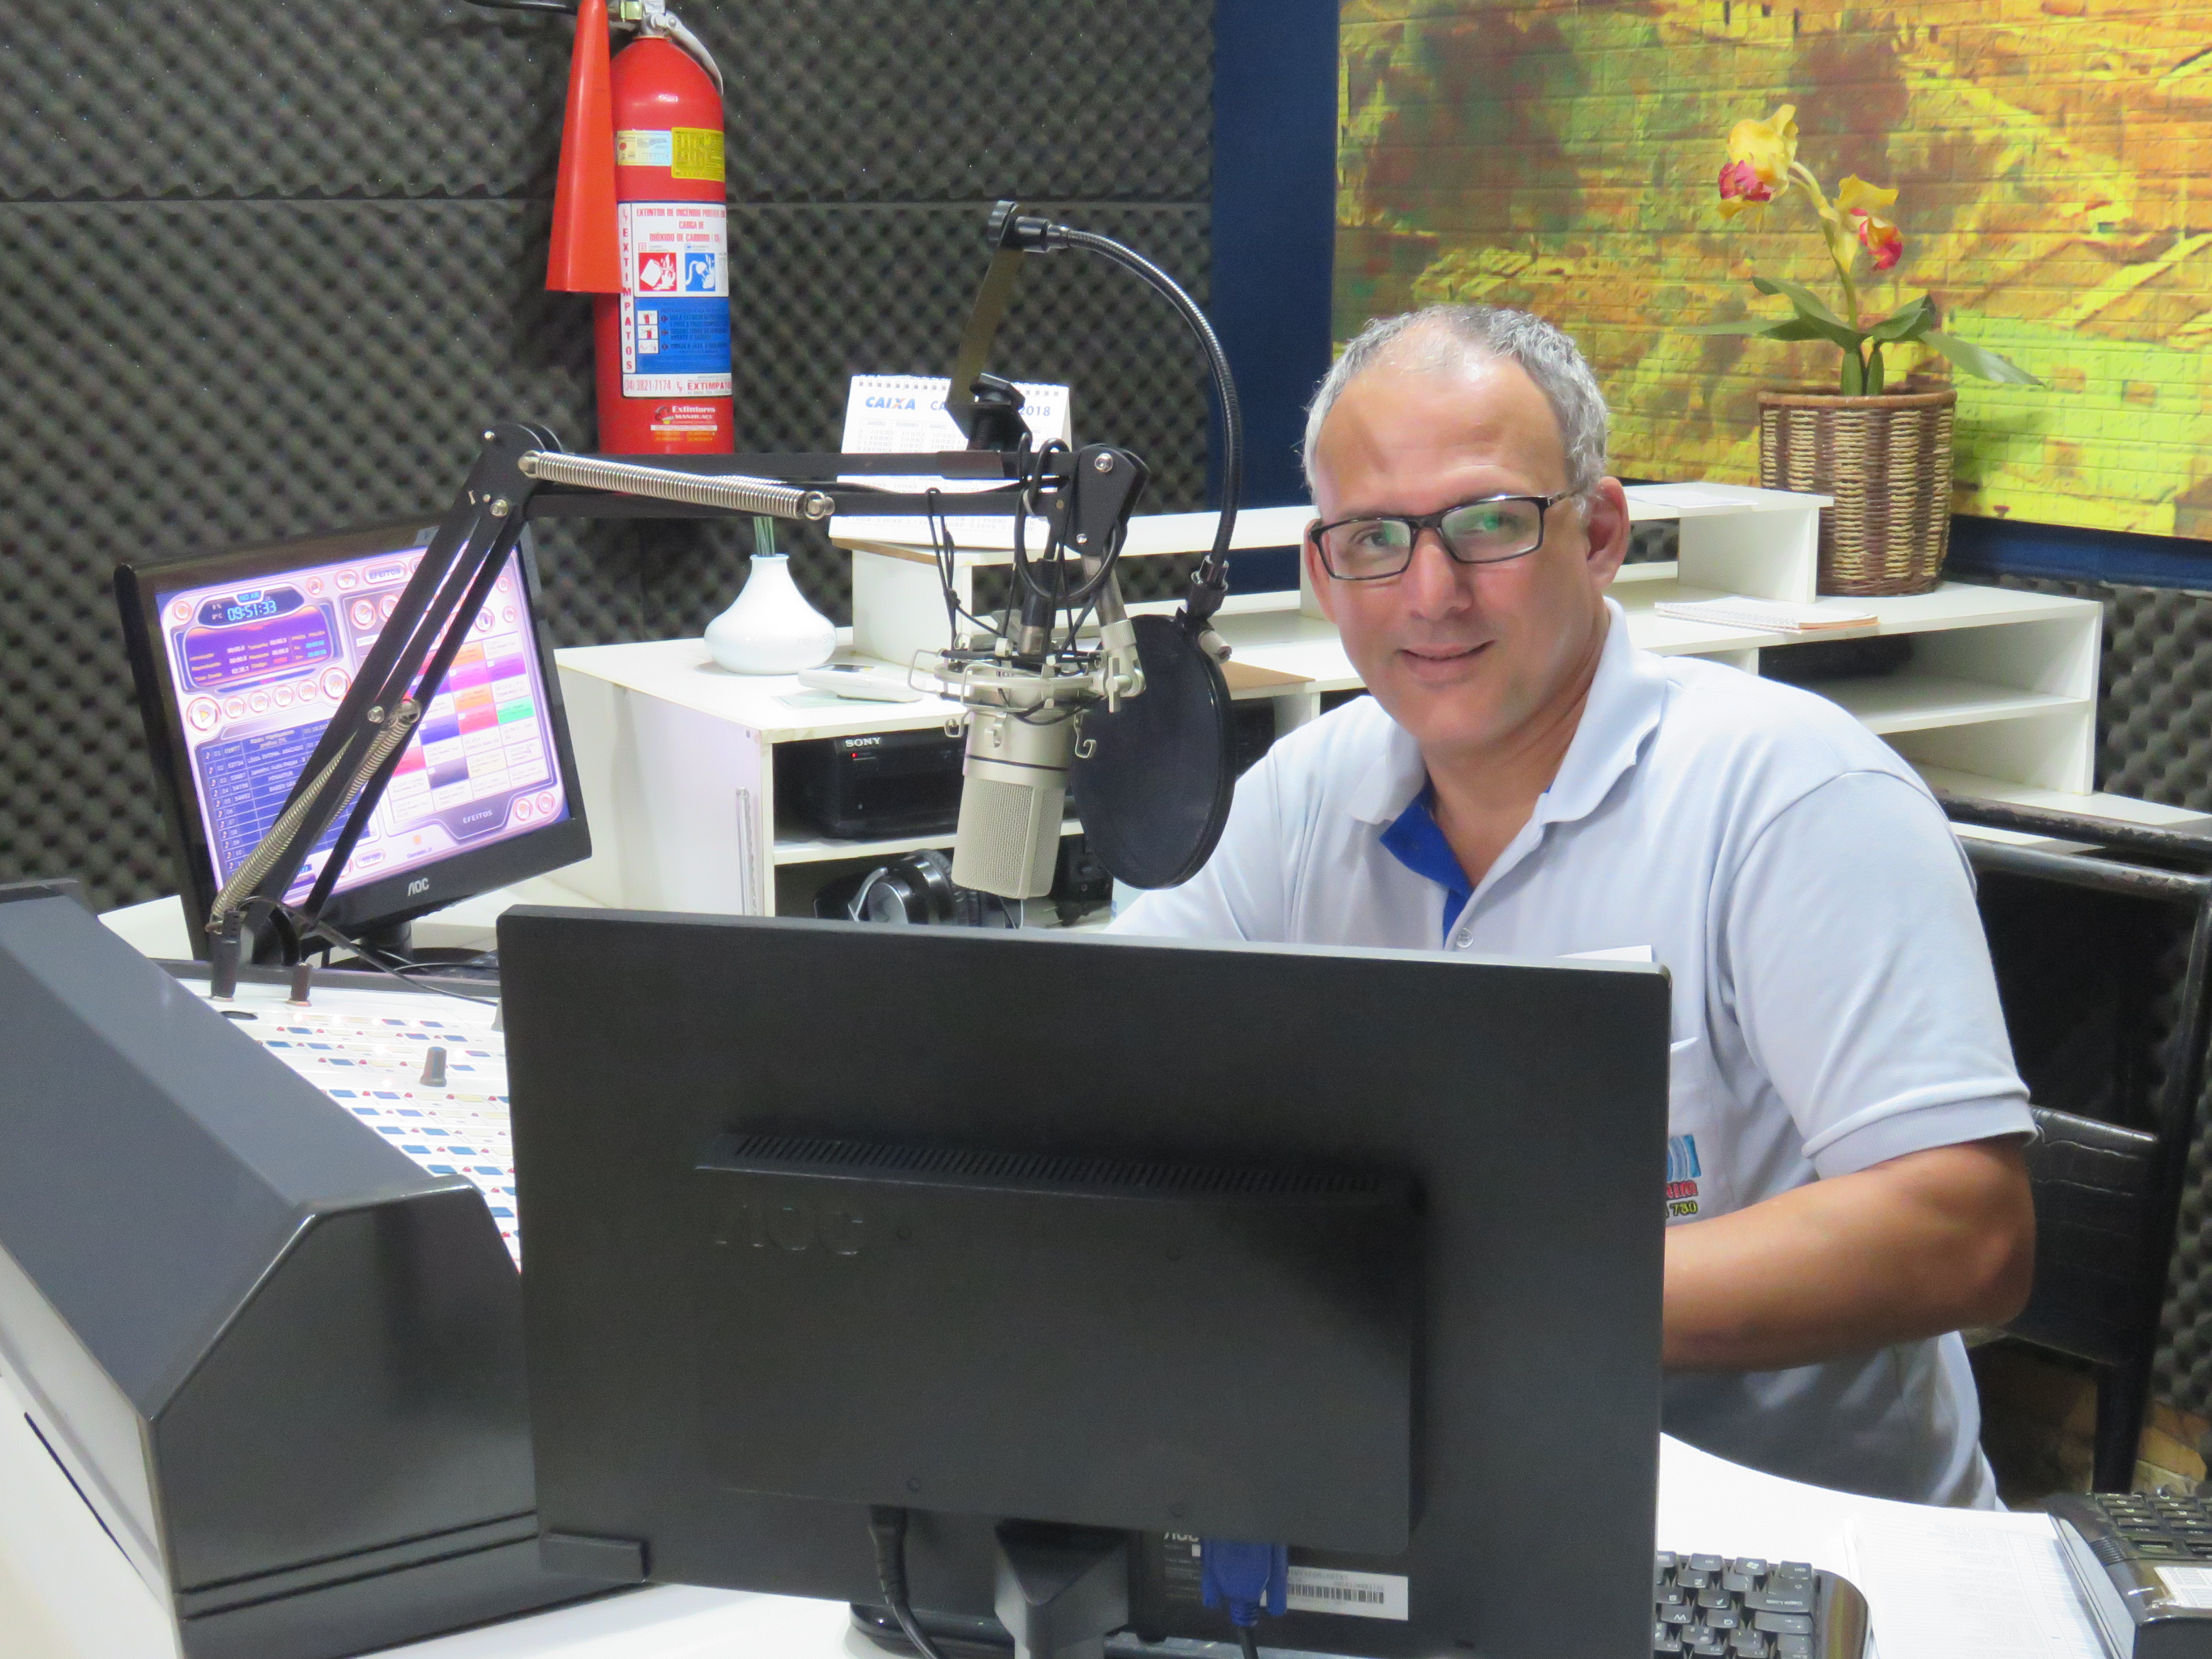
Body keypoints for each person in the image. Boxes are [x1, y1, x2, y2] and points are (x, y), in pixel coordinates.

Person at [1110, 304, 2036, 1508]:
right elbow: (1108, 1081)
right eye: (1376, 538)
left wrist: (1475, 1300)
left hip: (1801, 1536)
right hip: (1438, 1503)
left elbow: (1965, 1234)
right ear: (1323, 574)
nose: (1431, 593)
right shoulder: (1297, 803)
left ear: (1599, 535)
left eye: (1489, 523)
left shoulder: (1795, 796)